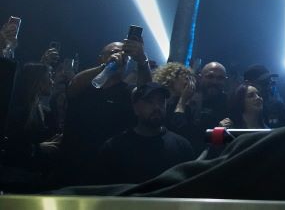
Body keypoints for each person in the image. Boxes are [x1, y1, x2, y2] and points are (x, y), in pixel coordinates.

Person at [60, 37, 152, 184]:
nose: (120, 57)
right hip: (72, 166)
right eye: (114, 52)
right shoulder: (86, 86)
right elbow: (73, 86)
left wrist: (142, 60)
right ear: (100, 58)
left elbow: (147, 95)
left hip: (109, 170)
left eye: (125, 55)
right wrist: (106, 66)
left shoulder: (128, 92)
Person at [98, 83, 194, 184]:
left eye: (161, 101)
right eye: (149, 102)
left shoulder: (182, 146)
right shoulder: (114, 147)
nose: (157, 107)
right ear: (135, 108)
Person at [2, 62, 60, 186]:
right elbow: (9, 146)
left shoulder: (40, 108)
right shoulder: (19, 110)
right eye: (49, 77)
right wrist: (38, 148)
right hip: (16, 178)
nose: (52, 82)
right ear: (37, 81)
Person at [166, 61, 229, 152]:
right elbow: (177, 132)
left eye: (220, 78)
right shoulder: (187, 99)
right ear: (200, 78)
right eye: (210, 77)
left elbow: (224, 143)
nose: (215, 82)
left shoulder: (228, 103)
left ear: (225, 80)